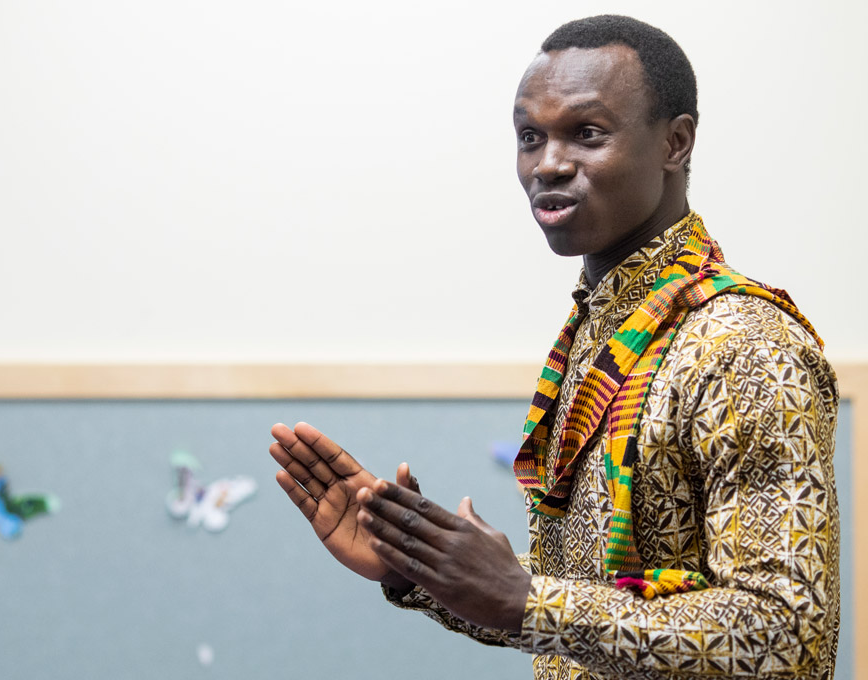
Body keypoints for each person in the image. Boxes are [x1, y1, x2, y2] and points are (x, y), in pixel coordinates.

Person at [267, 14, 839, 680]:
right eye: (529, 137)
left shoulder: (745, 345)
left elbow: (786, 634)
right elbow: (588, 611)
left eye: (587, 133)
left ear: (675, 143)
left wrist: (528, 601)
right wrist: (417, 568)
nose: (548, 164)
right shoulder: (602, 337)